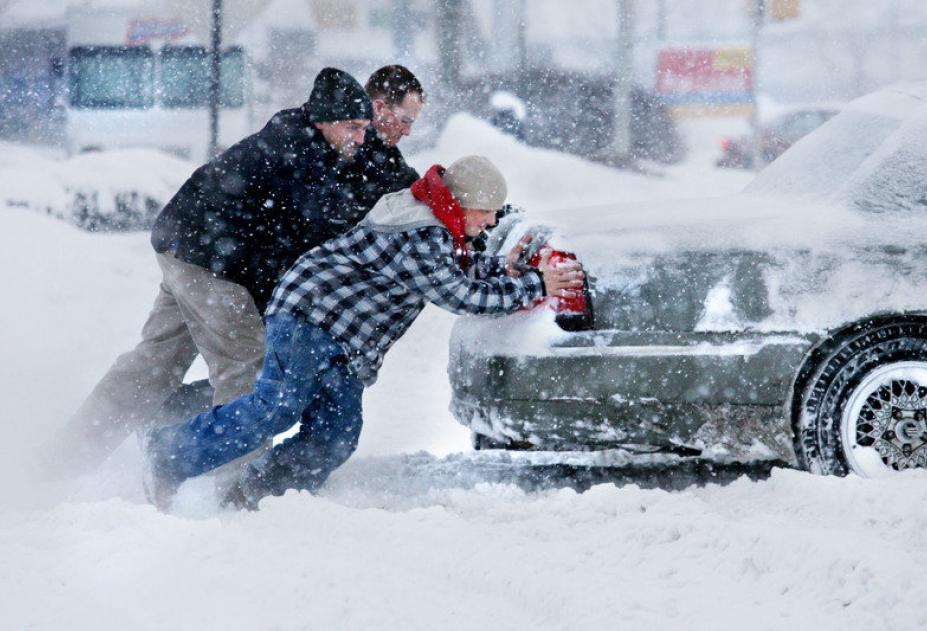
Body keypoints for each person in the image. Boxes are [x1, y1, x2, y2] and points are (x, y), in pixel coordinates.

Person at [144, 155, 585, 510]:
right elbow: (460, 294)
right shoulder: (422, 231)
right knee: (275, 407)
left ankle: (260, 495)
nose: (490, 223)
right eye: (488, 213)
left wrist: (506, 270)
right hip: (310, 316)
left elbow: (459, 266)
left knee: (336, 433)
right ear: (466, 204)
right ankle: (167, 454)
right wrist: (536, 284)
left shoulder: (439, 222)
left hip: (344, 340)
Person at [49, 67, 413, 475]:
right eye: (352, 127)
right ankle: (234, 488)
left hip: (186, 246)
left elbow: (367, 185)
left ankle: (63, 463)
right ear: (324, 119)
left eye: (364, 129)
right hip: (211, 262)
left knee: (154, 367)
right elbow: (322, 224)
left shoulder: (316, 144)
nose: (360, 138)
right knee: (249, 370)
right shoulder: (299, 155)